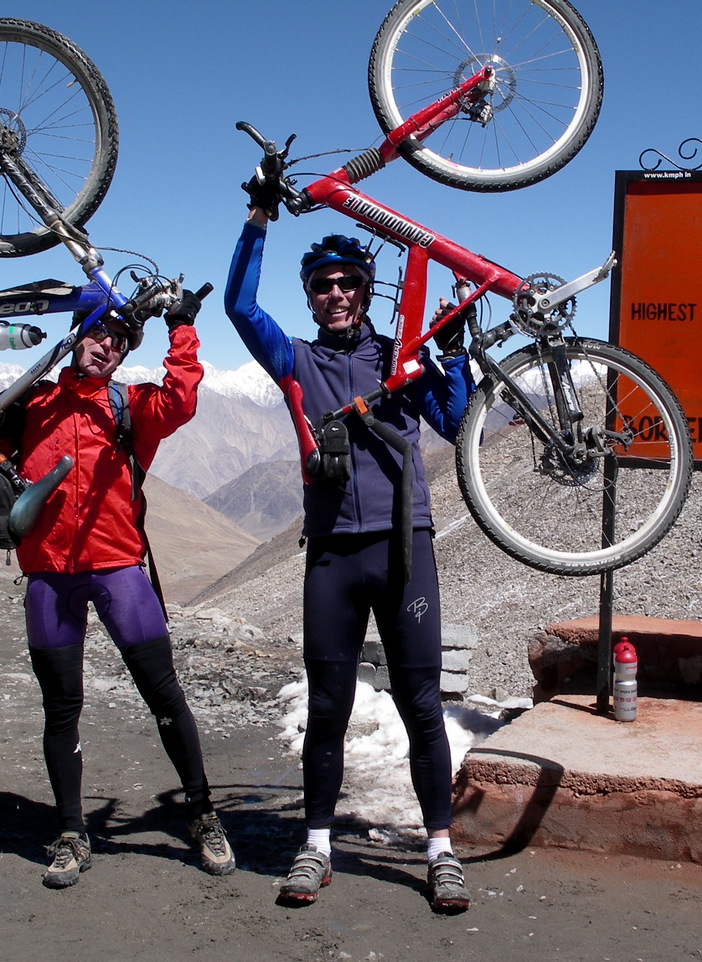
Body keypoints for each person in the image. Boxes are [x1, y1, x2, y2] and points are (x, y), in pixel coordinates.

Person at [0, 291, 235, 889]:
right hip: (48, 576)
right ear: (77, 335)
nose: (109, 347)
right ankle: (71, 831)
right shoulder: (30, 401)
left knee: (164, 696)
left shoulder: (131, 405)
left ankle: (202, 814)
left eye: (121, 342)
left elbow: (182, 398)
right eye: (100, 334)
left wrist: (182, 330)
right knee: (61, 708)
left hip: (119, 569)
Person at [224, 200, 475, 912]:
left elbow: (458, 424)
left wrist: (452, 357)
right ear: (310, 296)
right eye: (321, 285)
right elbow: (241, 306)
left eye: (347, 283)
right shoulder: (294, 361)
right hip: (332, 554)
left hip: (404, 549)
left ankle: (439, 850)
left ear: (366, 289)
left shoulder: (400, 356)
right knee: (328, 707)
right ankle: (316, 846)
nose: (335, 294)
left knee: (421, 704)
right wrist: (257, 219)